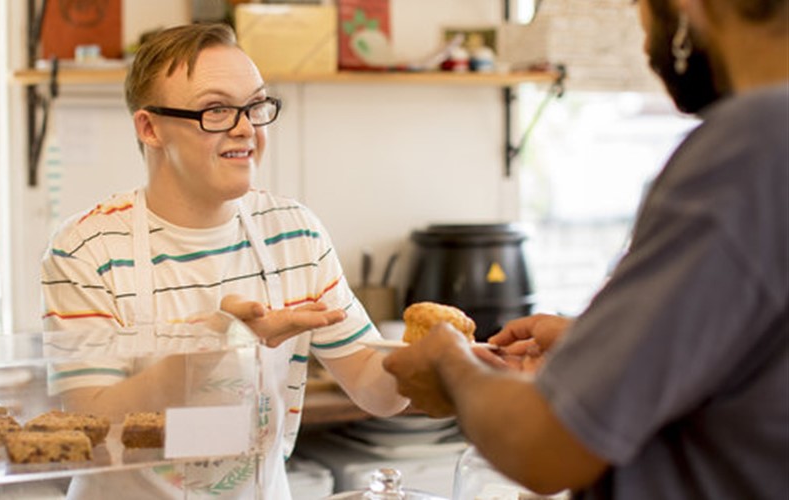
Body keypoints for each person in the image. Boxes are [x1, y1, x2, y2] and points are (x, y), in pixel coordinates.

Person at [383, 0, 788, 497]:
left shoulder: (755, 143)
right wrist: (593, 347)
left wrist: (449, 367)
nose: (638, 19)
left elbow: (546, 448)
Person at [40, 23, 408, 499]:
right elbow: (92, 427)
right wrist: (218, 342)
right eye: (216, 110)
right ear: (150, 128)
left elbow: (372, 388)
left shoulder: (294, 233)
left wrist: (434, 362)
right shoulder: (87, 249)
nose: (245, 128)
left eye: (255, 106)